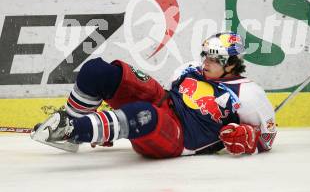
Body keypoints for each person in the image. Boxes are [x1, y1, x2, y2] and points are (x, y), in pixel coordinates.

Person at [31, 32, 277, 157]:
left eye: (215, 59)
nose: (206, 62)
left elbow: (268, 137)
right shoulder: (190, 68)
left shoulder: (249, 93)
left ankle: (74, 129)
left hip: (179, 137)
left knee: (143, 114)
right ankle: (69, 124)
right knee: (97, 70)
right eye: (206, 55)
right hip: (163, 102)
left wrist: (251, 139)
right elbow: (167, 95)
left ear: (232, 63)